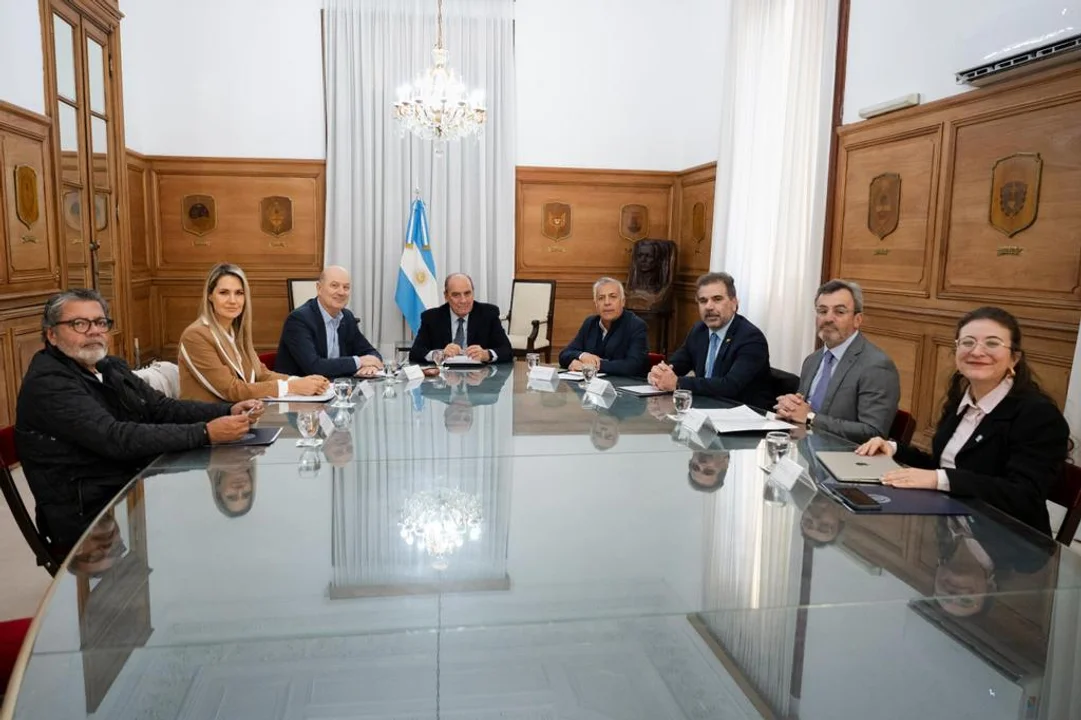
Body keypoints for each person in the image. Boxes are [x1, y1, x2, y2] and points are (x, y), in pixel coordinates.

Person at [15, 289, 257, 556]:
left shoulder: (108, 367)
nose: (93, 331)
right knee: (203, 529)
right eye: (79, 324)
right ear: (51, 335)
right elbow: (115, 438)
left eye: (100, 322)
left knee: (222, 524)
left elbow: (160, 408)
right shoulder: (49, 383)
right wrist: (205, 432)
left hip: (127, 483)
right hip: (89, 515)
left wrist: (227, 409)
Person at [856, 306, 1071, 536]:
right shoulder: (962, 400)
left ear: (1014, 357)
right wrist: (893, 448)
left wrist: (939, 478)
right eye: (967, 342)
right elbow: (945, 466)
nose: (977, 351)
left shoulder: (1038, 415)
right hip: (952, 528)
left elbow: (1023, 495)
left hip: (1008, 542)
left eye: (992, 343)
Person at [179, 263, 329, 402]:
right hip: (208, 419)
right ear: (210, 296)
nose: (233, 300)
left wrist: (301, 381)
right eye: (224, 293)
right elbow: (231, 390)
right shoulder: (195, 336)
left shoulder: (235, 333)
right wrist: (291, 387)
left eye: (239, 293)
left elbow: (261, 374)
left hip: (240, 415)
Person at [774, 279, 900, 443]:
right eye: (822, 311)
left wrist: (811, 417)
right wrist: (790, 409)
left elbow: (873, 432)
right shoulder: (812, 360)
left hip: (847, 455)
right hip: (805, 447)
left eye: (839, 312)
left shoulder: (877, 366)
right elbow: (803, 414)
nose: (828, 318)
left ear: (857, 319)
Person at [648, 272, 772, 407]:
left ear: (734, 303)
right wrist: (660, 373)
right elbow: (678, 363)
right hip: (703, 409)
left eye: (717, 299)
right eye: (703, 301)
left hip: (741, 412)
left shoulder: (751, 338)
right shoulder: (699, 330)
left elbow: (730, 386)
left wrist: (678, 383)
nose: (709, 307)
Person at [274, 265, 383, 378]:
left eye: (346, 287)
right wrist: (359, 362)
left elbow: (371, 353)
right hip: (299, 387)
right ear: (319, 288)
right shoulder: (299, 320)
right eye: (334, 285)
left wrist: (371, 366)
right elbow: (314, 367)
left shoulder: (347, 317)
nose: (341, 292)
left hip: (337, 386)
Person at [409, 273, 512, 365]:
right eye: (456, 295)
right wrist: (440, 354)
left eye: (467, 293)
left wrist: (486, 354)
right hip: (444, 377)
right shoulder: (431, 318)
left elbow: (507, 351)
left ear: (473, 293)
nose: (463, 300)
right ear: (446, 296)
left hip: (480, 376)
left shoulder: (488, 314)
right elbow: (415, 352)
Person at [559, 277, 648, 377]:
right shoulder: (590, 323)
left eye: (613, 297)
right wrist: (582, 356)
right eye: (601, 298)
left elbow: (633, 365)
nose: (607, 302)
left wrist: (591, 366)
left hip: (624, 384)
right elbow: (564, 354)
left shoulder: (636, 325)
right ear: (596, 304)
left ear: (623, 301)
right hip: (592, 384)